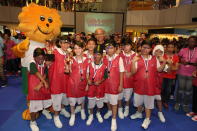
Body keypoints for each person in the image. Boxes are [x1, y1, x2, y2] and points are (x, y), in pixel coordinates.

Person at [130, 40, 166, 129]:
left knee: (148, 104)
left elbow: (159, 70)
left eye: (147, 48)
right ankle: (138, 113)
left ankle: (147, 118)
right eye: (143, 47)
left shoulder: (154, 58)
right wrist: (133, 62)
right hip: (139, 85)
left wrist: (164, 62)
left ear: (150, 49)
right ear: (140, 47)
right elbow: (133, 72)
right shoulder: (137, 58)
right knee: (138, 102)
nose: (145, 49)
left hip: (150, 86)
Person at [49, 38, 71, 128]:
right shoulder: (54, 52)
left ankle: (62, 109)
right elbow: (48, 64)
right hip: (56, 80)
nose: (66, 45)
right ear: (60, 43)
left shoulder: (68, 54)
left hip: (65, 80)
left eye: (67, 43)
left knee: (63, 97)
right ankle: (56, 116)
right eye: (63, 43)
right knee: (57, 98)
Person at [28, 48, 52, 131]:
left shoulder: (44, 62)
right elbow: (36, 72)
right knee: (34, 104)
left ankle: (43, 110)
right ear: (34, 57)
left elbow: (45, 72)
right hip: (34, 85)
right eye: (38, 58)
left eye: (42, 58)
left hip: (40, 84)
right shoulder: (32, 63)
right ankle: (32, 122)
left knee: (44, 99)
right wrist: (43, 83)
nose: (41, 60)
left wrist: (42, 83)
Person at [65, 42, 89, 126]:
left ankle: (82, 110)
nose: (77, 50)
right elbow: (68, 71)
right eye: (75, 48)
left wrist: (87, 84)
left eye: (79, 48)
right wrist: (67, 66)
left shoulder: (87, 60)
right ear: (73, 50)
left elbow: (88, 73)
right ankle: (72, 114)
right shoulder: (71, 59)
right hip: (72, 83)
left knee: (82, 99)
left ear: (83, 49)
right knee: (72, 101)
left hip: (83, 83)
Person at [103, 41, 124, 131]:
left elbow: (121, 72)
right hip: (105, 84)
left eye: (111, 48)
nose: (109, 50)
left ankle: (114, 119)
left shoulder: (119, 58)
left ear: (115, 49)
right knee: (107, 100)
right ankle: (109, 110)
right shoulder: (104, 58)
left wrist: (121, 85)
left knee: (114, 102)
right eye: (107, 48)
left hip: (114, 84)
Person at [86, 47, 107, 125]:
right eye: (95, 54)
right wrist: (88, 79)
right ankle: (91, 115)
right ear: (93, 55)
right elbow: (87, 73)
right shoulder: (90, 64)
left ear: (102, 55)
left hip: (100, 87)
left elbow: (105, 76)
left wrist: (100, 81)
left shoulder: (104, 66)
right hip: (91, 87)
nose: (96, 56)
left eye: (98, 54)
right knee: (91, 102)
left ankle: (98, 113)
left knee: (99, 103)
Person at [175, 36, 197, 112]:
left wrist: (193, 63)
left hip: (192, 74)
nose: (191, 43)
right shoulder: (183, 50)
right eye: (190, 41)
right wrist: (181, 61)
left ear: (195, 43)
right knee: (180, 89)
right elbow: (178, 58)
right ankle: (178, 103)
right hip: (182, 72)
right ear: (187, 42)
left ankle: (186, 104)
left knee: (188, 91)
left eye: (193, 41)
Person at [118, 41, 135, 119]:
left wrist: (131, 73)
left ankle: (127, 108)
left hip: (130, 79)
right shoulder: (119, 55)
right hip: (120, 79)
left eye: (128, 45)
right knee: (119, 96)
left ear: (131, 46)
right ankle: (120, 108)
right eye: (124, 46)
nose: (126, 48)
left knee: (128, 96)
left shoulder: (136, 55)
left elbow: (138, 68)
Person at [161, 42, 179, 109]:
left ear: (174, 48)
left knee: (168, 90)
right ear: (166, 48)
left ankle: (165, 102)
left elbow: (176, 68)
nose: (170, 49)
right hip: (162, 76)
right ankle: (159, 101)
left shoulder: (176, 57)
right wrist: (168, 64)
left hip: (171, 77)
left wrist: (170, 64)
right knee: (161, 89)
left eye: (172, 47)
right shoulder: (163, 56)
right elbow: (160, 67)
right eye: (169, 47)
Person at [152, 45, 166, 123]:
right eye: (157, 51)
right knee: (147, 97)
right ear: (154, 51)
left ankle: (160, 112)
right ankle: (142, 111)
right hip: (149, 82)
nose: (158, 53)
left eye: (161, 52)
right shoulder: (150, 58)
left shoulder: (163, 60)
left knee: (158, 98)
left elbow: (164, 70)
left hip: (157, 83)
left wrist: (166, 62)